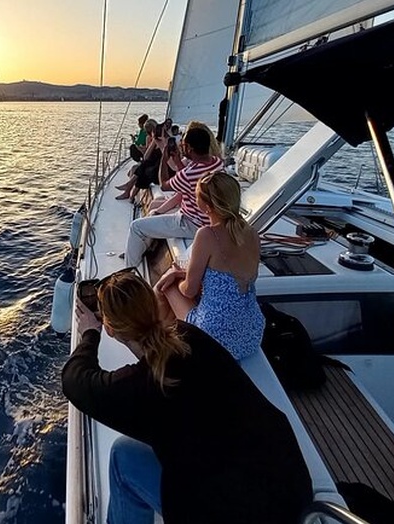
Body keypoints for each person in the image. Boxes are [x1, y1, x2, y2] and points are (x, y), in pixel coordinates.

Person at [61, 270, 313, 523]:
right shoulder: (191, 337)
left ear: (110, 329)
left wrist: (89, 334)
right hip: (293, 492)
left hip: (240, 513)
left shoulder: (138, 388)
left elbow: (74, 380)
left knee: (122, 457)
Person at [155, 171, 265, 360]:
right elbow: (228, 276)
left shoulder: (207, 235)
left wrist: (176, 275)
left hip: (215, 337)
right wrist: (187, 274)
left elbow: (189, 291)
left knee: (166, 286)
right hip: (250, 334)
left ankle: (164, 348)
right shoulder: (252, 233)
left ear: (206, 206)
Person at [124, 125, 222, 267]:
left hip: (190, 223)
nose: (180, 147)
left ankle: (129, 270)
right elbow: (188, 180)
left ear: (189, 148)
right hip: (206, 220)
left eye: (183, 145)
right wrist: (176, 161)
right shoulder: (216, 163)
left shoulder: (189, 174)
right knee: (152, 214)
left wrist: (164, 157)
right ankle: (138, 250)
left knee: (136, 227)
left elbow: (164, 185)